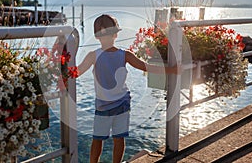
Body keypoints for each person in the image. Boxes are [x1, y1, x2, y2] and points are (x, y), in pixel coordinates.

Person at [77, 14, 180, 163]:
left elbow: (76, 72)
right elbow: (147, 67)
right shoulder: (124, 55)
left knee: (98, 139)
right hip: (120, 103)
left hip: (105, 105)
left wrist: (61, 71)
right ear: (116, 34)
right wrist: (171, 70)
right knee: (118, 139)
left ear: (97, 36)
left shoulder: (93, 56)